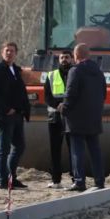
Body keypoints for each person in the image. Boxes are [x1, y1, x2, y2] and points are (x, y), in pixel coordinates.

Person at [61, 43, 107, 192]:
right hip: (94, 116)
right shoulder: (99, 72)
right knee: (95, 150)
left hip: (77, 118)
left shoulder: (75, 71)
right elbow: (104, 93)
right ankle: (99, 181)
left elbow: (70, 93)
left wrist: (65, 109)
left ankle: (80, 181)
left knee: (77, 151)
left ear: (76, 55)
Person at [0, 41, 31, 191]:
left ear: (16, 53)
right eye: (7, 51)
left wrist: (23, 109)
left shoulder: (16, 70)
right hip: (5, 115)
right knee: (4, 149)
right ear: (2, 52)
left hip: (17, 115)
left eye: (12, 51)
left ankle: (12, 177)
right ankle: (2, 180)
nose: (9, 53)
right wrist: (6, 109)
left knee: (20, 146)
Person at [43, 49, 74, 188]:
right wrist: (58, 106)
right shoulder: (51, 75)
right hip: (54, 118)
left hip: (72, 118)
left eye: (66, 57)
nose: (64, 60)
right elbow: (47, 97)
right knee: (55, 150)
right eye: (62, 58)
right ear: (58, 59)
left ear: (72, 59)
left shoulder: (76, 73)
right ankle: (56, 180)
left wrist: (66, 106)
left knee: (74, 149)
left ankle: (76, 179)